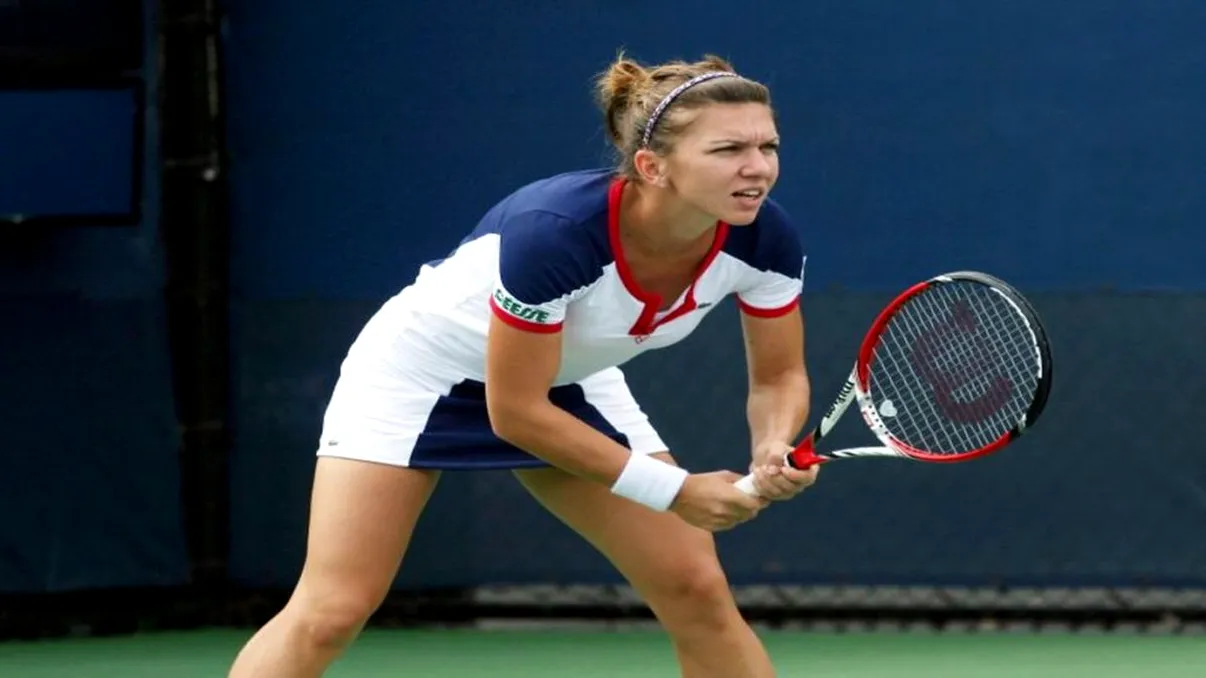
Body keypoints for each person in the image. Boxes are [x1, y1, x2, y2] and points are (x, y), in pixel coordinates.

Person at [229, 52, 819, 678]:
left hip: (564, 380)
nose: (758, 168)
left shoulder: (765, 238)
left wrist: (772, 448)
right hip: (419, 374)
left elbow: (779, 377)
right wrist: (675, 491)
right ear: (652, 166)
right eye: (729, 149)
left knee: (696, 588)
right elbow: (514, 413)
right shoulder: (557, 232)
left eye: (768, 145)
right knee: (333, 609)